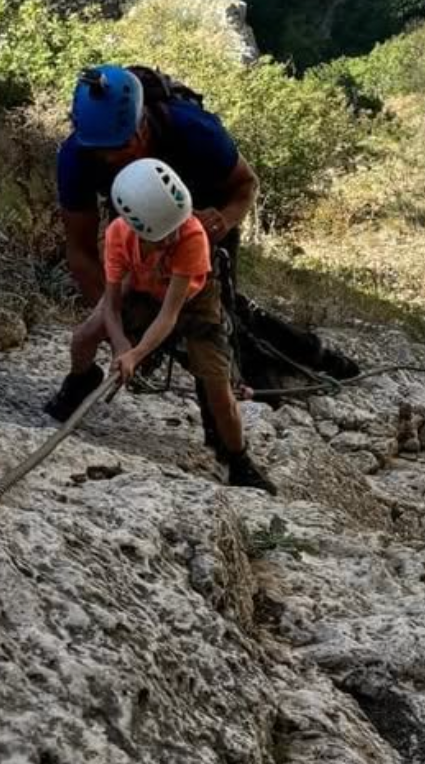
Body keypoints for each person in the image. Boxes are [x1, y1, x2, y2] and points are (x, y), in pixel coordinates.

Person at [55, 65, 357, 405]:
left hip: (207, 218)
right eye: (101, 150)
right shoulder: (79, 156)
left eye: (119, 147)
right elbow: (81, 253)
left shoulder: (192, 130)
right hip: (141, 225)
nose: (110, 158)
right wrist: (117, 326)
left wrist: (225, 220)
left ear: (141, 126)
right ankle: (310, 354)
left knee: (214, 311)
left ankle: (290, 369)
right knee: (165, 309)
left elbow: (246, 184)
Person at [46, 157, 275, 492]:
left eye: (175, 229)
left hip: (194, 302)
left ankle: (239, 459)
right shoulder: (118, 235)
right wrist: (121, 346)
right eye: (163, 235)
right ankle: (81, 380)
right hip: (139, 290)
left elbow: (171, 314)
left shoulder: (190, 235)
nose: (171, 239)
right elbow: (110, 303)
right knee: (82, 339)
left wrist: (136, 354)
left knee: (218, 389)